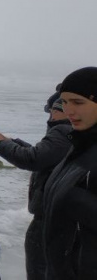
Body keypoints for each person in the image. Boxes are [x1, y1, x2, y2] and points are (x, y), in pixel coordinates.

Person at [0, 93, 71, 280]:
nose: (50, 116)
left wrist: (0, 143)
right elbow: (42, 155)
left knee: (39, 270)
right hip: (62, 217)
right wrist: (10, 142)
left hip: (48, 218)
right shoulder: (74, 134)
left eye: (53, 111)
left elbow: (32, 159)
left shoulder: (63, 131)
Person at [42, 67, 97, 280]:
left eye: (78, 102)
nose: (69, 111)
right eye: (64, 102)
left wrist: (78, 201)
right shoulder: (78, 145)